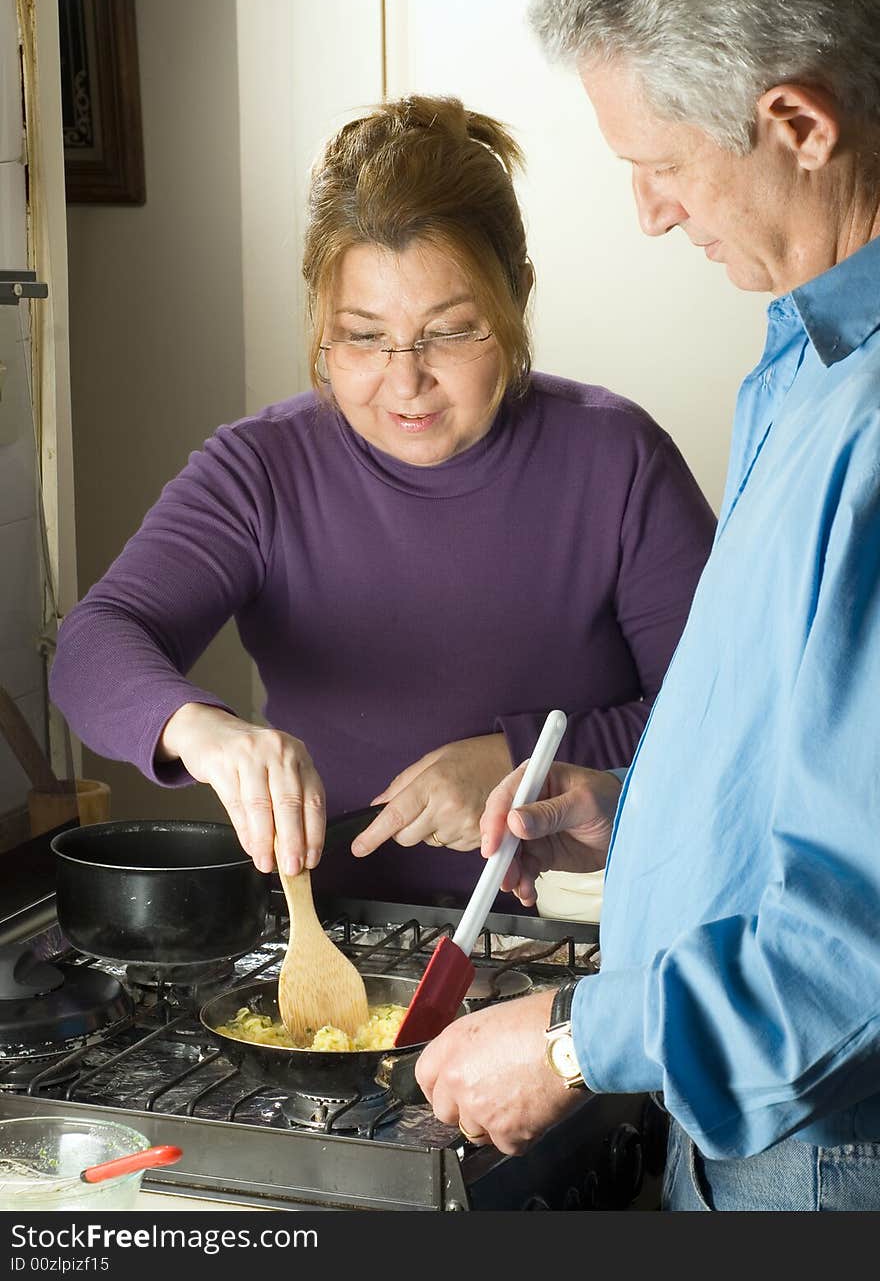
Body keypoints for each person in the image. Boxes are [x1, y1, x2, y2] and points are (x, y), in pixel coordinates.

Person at [415, 0, 880, 1211]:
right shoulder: (806, 357)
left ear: (798, 121)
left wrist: (574, 1037)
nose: (651, 215)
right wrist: (634, 813)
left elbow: (860, 946)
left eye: (661, 163)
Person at [49, 94, 714, 908]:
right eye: (363, 335)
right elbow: (93, 643)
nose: (406, 381)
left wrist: (518, 761)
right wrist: (203, 730)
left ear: (518, 300)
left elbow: (720, 714)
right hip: (328, 932)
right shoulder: (261, 468)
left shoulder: (618, 457)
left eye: (451, 330)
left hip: (581, 927)